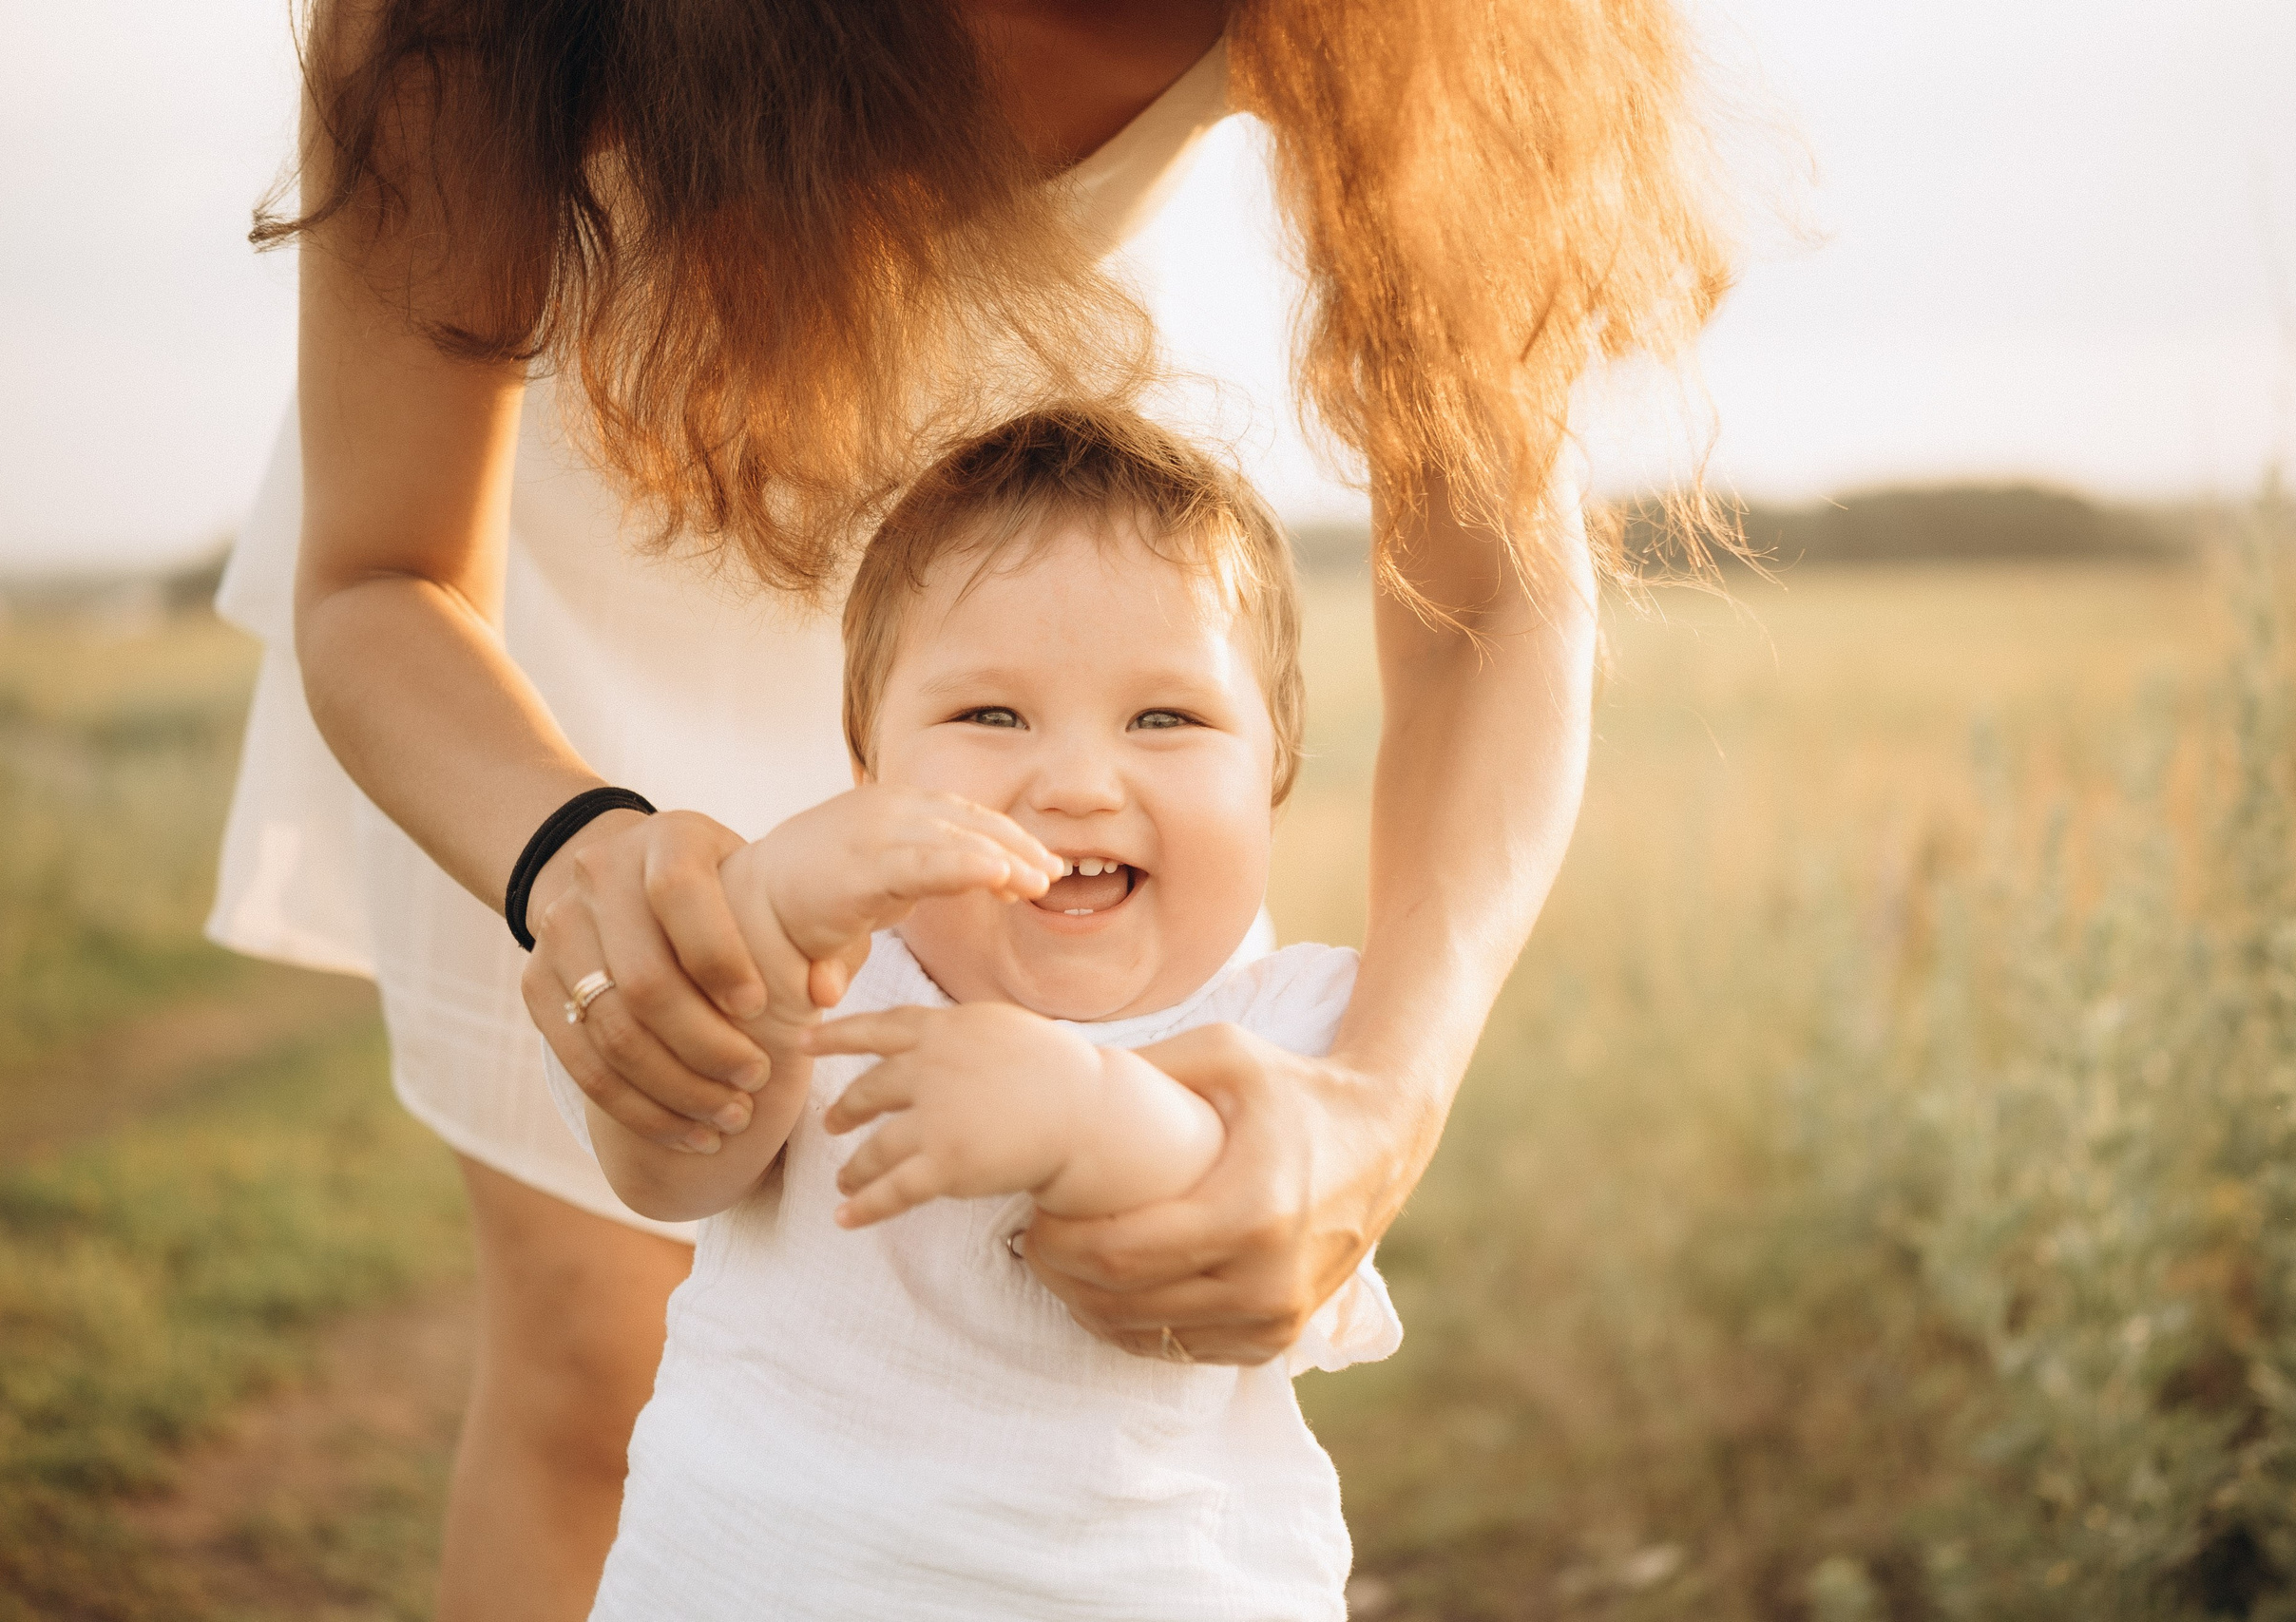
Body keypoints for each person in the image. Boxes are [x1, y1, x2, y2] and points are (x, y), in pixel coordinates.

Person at [209, 3, 1729, 1616]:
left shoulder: (1423, 34)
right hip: (540, 575)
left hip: (993, 568)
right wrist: (571, 851)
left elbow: (1488, 587)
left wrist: (1383, 1099)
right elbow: (384, 573)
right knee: (596, 1357)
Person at [547, 404, 1398, 1619]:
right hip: (754, 1582)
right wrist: (772, 926)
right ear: (867, 762)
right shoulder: (831, 967)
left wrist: (1086, 1112)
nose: (1075, 783)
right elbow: (666, 1167)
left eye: (1166, 718)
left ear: (1274, 772)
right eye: (988, 716)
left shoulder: (1297, 1023)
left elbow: (1255, 1240)